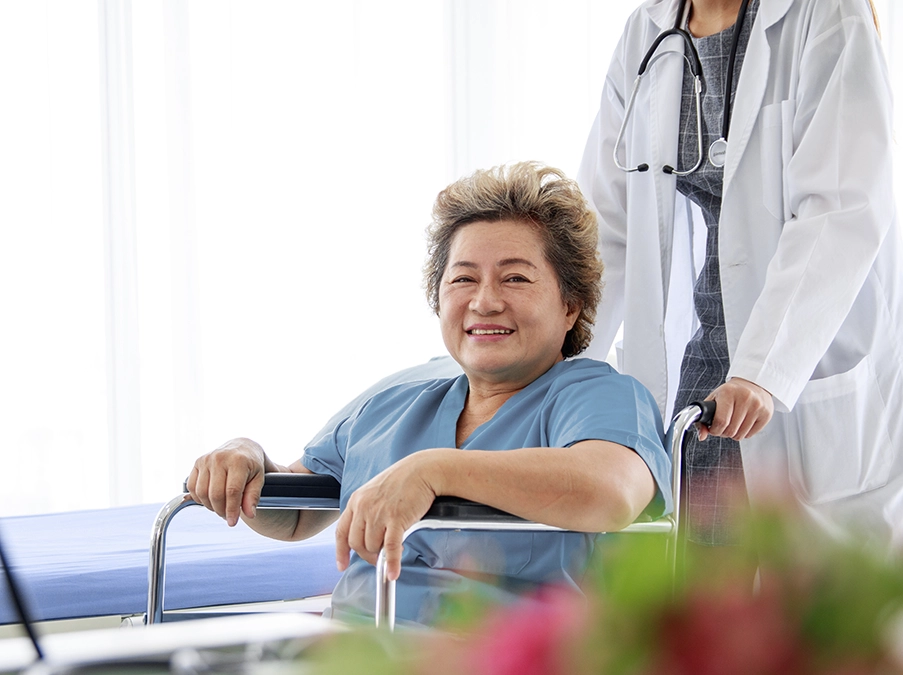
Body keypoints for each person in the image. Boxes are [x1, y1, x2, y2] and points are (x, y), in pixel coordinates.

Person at [187, 162, 672, 626]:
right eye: (463, 279)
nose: (485, 301)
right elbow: (293, 516)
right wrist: (245, 460)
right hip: (358, 650)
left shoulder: (597, 395)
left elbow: (608, 493)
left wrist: (432, 472)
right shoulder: (393, 404)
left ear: (571, 306)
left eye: (516, 278)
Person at [577, 0, 903, 554]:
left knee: (812, 605)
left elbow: (839, 209)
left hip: (805, 349)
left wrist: (764, 369)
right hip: (707, 352)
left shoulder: (825, 14)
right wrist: (561, 370)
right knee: (697, 571)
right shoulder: (646, 31)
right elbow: (606, 227)